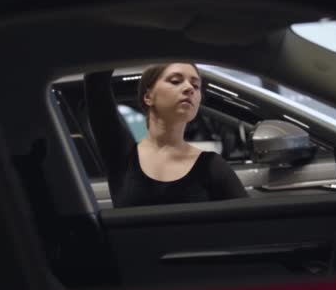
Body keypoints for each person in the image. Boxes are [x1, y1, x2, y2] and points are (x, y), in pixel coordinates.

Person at [84, 63, 247, 207]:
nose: (190, 88)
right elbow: (95, 80)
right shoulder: (123, 156)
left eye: (196, 85)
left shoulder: (212, 166)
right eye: (175, 81)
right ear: (148, 96)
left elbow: (250, 226)